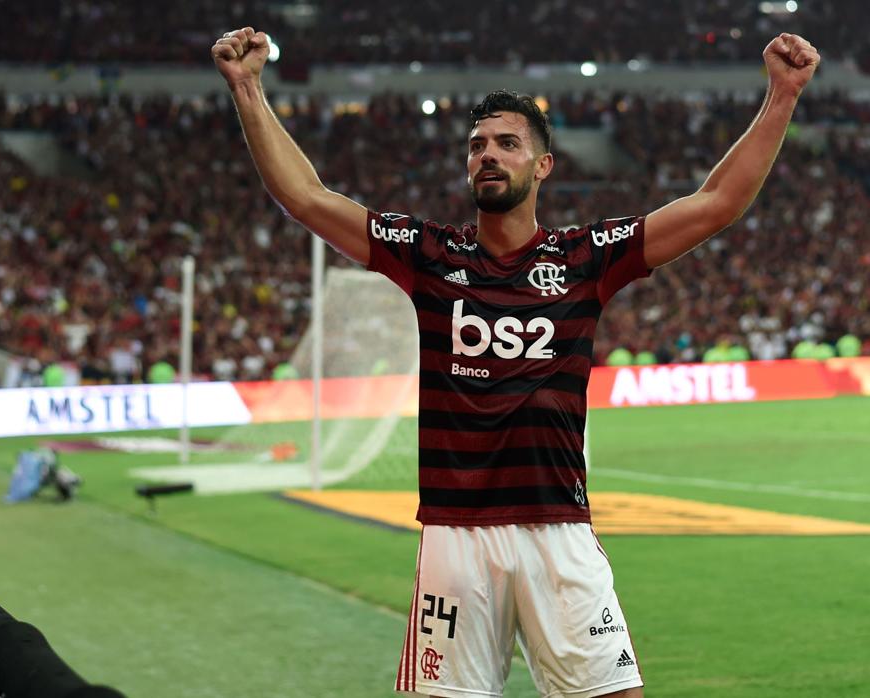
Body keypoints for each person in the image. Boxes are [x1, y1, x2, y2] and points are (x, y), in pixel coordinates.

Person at [213, 26, 818, 698]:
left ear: (542, 166)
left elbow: (715, 205)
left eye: (506, 143)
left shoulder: (588, 257)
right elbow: (307, 198)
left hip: (558, 530)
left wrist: (780, 96)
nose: (488, 155)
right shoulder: (427, 254)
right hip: (454, 536)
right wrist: (247, 87)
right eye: (476, 146)